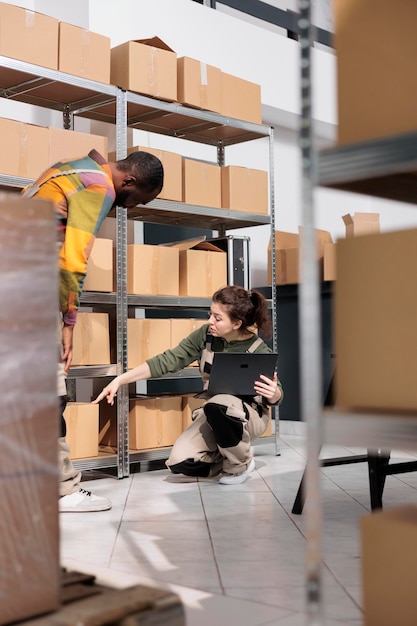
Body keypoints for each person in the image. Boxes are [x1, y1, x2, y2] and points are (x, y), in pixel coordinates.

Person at [22, 149, 164, 512]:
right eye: (136, 200)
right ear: (128, 181)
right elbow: (72, 258)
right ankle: (61, 491)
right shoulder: (98, 186)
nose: (128, 207)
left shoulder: (70, 168)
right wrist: (69, 323)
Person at [94, 285, 283, 485]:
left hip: (249, 416)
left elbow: (277, 393)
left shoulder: (258, 349)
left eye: (218, 318)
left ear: (237, 323)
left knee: (220, 404)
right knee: (181, 462)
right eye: (210, 314)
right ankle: (231, 453)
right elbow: (168, 360)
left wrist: (274, 394)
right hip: (214, 412)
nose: (210, 321)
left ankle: (239, 466)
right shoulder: (205, 335)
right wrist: (120, 379)